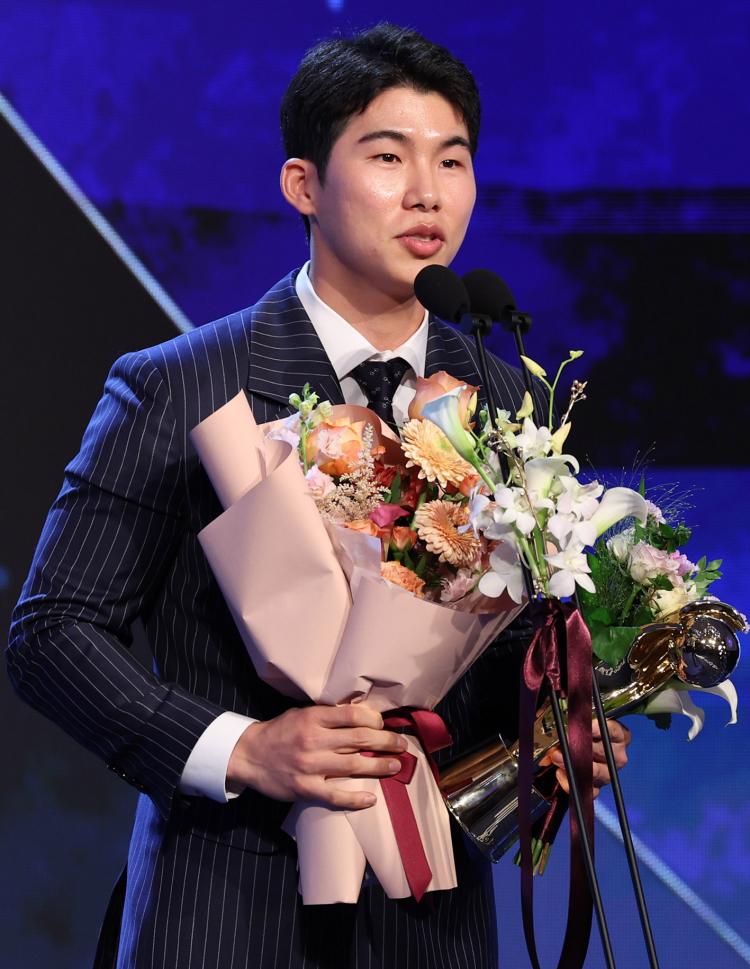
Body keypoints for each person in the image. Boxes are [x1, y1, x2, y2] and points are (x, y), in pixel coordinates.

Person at [7, 23, 630, 969]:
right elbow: (51, 631)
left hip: (435, 922)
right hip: (224, 912)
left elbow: (502, 651)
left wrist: (550, 730)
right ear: (303, 184)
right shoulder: (180, 383)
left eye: (452, 160)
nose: (427, 192)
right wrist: (243, 749)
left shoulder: (507, 402)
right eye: (388, 156)